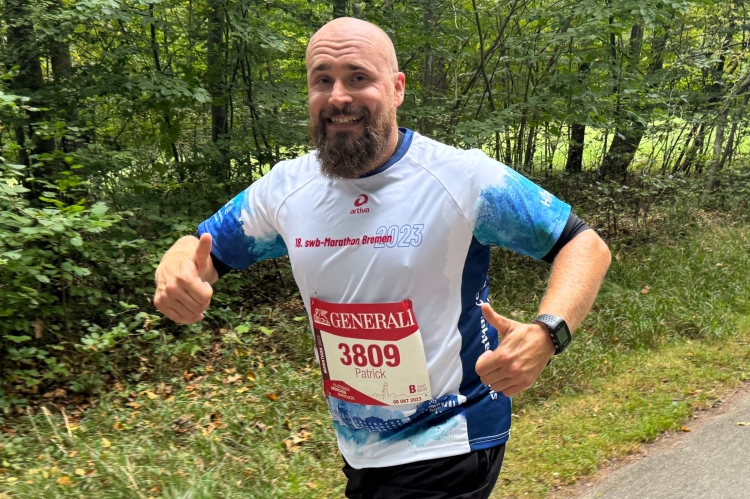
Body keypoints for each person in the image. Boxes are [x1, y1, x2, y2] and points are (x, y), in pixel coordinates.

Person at [154, 17, 611, 499]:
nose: (338, 97)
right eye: (322, 80)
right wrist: (177, 265)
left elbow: (584, 244)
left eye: (358, 77)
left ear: (397, 89)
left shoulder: (461, 178)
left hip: (451, 435)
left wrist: (548, 332)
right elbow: (204, 249)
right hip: (361, 446)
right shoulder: (286, 188)